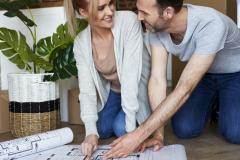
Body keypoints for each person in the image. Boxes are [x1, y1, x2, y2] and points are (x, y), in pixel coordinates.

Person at [104, 0, 240, 158]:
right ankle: (217, 103)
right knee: (184, 129)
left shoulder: (211, 24)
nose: (139, 17)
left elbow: (185, 88)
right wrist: (158, 136)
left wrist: (138, 135)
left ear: (168, 13)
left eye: (145, 13)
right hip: (204, 74)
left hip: (235, 73)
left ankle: (221, 105)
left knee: (235, 132)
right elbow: (157, 79)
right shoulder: (156, 29)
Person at [64, 0, 162, 159]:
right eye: (101, 8)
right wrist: (90, 133)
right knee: (100, 130)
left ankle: (145, 117)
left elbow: (131, 80)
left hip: (139, 88)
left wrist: (132, 134)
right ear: (84, 12)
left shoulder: (128, 21)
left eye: (110, 3)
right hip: (115, 91)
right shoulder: (81, 43)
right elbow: (87, 91)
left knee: (121, 128)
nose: (110, 12)